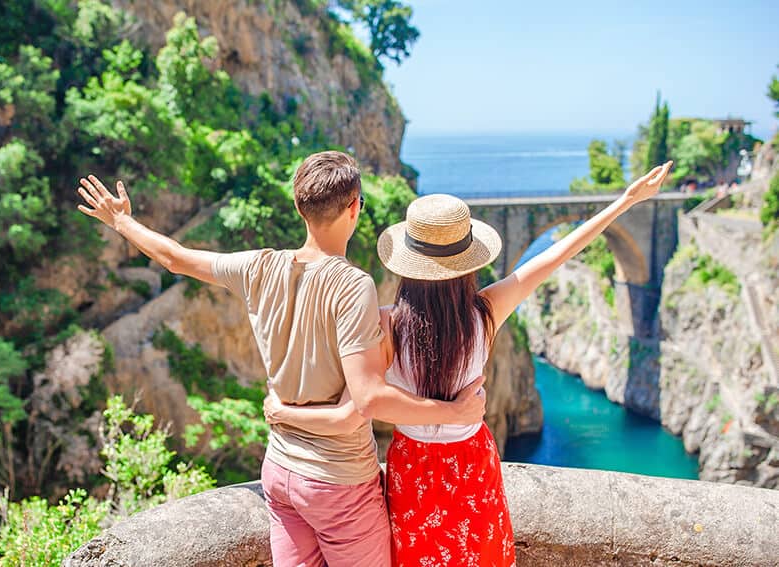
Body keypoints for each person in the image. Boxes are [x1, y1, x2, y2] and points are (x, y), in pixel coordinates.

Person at [74, 150, 487, 567]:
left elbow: (175, 258)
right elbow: (367, 401)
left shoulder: (259, 267)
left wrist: (122, 221)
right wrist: (455, 413)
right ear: (353, 208)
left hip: (280, 472)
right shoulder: (352, 286)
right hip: (338, 482)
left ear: (297, 206)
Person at [265, 160, 675, 567]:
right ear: (468, 260)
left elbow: (358, 392)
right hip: (471, 459)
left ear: (408, 261)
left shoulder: (386, 323)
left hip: (413, 463)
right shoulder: (486, 314)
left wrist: (284, 409)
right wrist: (625, 201)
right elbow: (554, 256)